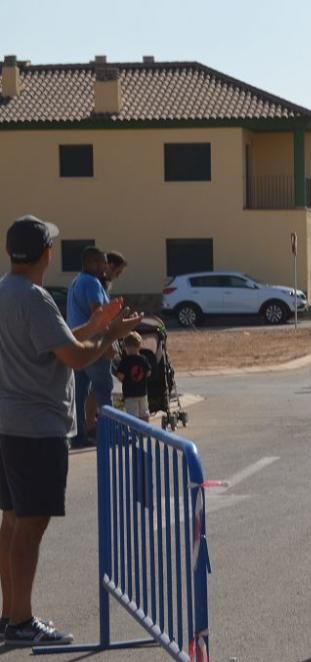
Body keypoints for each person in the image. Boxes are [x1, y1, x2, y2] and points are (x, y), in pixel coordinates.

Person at [0, 215, 140, 647]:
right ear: (46, 253)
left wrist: (96, 327)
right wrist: (110, 335)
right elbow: (76, 359)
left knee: (11, 521)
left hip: (8, 424)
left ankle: (10, 613)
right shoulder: (35, 298)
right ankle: (21, 620)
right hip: (36, 427)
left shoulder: (7, 292)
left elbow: (57, 344)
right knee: (30, 524)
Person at [66, 246, 111, 448]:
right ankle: (110, 434)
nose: (104, 266)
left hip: (76, 345)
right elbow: (98, 315)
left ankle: (78, 435)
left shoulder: (75, 281)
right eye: (101, 262)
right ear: (90, 263)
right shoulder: (92, 283)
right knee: (103, 389)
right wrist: (107, 343)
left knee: (80, 391)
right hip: (93, 346)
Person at [114, 332, 151, 422]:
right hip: (142, 392)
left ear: (125, 347)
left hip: (130, 393)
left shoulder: (125, 361)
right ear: (139, 346)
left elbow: (120, 376)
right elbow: (148, 373)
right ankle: (145, 429)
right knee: (144, 412)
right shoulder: (143, 359)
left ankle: (135, 433)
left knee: (132, 414)